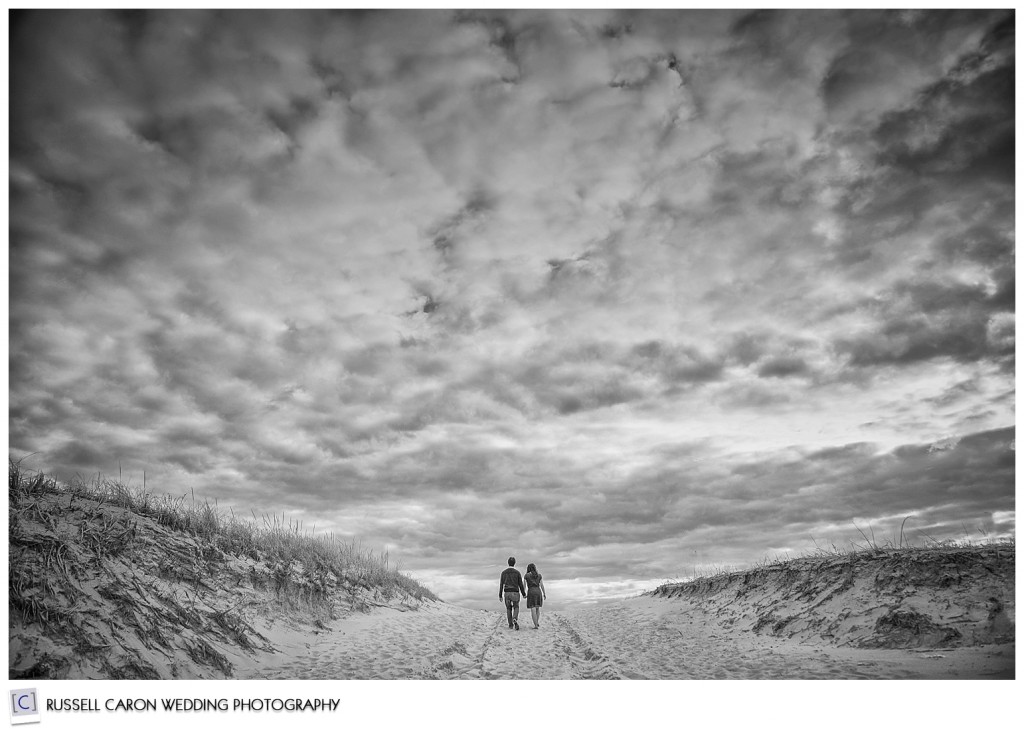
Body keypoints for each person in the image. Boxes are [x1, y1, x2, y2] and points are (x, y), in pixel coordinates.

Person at [498, 556, 526, 630]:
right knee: (516, 606)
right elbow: (520, 584)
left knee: (508, 608)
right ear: (514, 563)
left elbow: (501, 584)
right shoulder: (517, 573)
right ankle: (515, 618)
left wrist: (500, 595)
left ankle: (510, 625)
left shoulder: (503, 573)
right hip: (515, 592)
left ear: (508, 563)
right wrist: (524, 594)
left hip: (507, 592)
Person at [525, 563, 547, 629]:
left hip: (531, 592)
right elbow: (542, 585)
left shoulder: (526, 575)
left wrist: (524, 593)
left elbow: (524, 585)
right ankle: (536, 622)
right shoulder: (539, 575)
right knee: (537, 608)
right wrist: (544, 593)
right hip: (538, 591)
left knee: (533, 609)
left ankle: (535, 625)